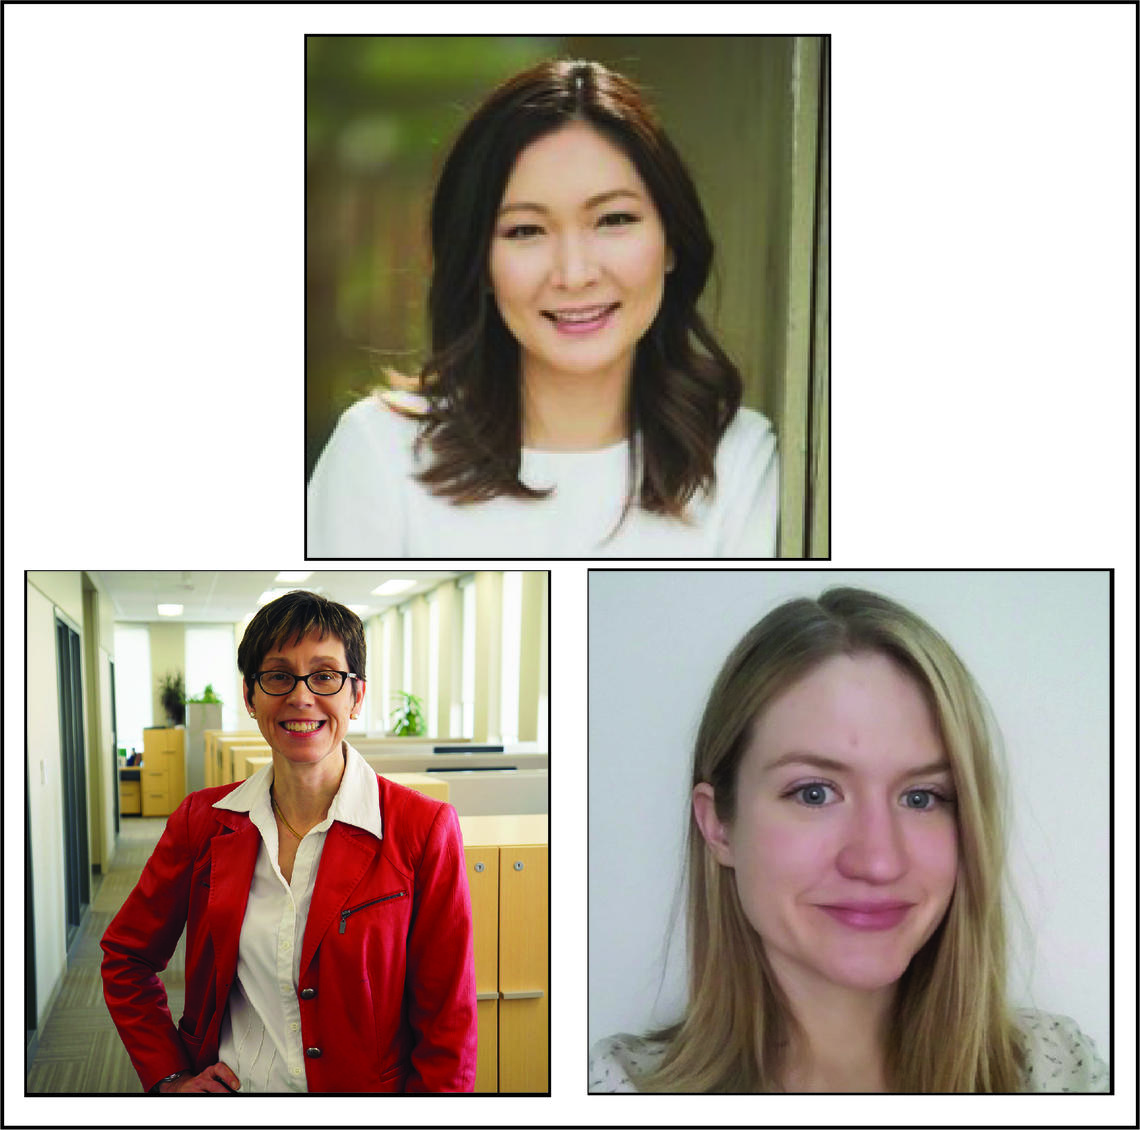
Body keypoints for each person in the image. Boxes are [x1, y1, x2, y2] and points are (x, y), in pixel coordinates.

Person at [589, 587, 1108, 1093]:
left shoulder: (1055, 1074)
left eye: (922, 797)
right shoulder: (618, 1089)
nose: (878, 861)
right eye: (814, 793)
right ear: (718, 826)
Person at [307, 58, 778, 557]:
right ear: (479, 262)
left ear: (671, 243)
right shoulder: (382, 454)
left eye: (614, 219)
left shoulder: (738, 458)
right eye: (526, 230)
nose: (574, 274)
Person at [101, 590, 477, 1093]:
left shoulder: (420, 828)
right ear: (251, 698)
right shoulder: (203, 822)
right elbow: (127, 957)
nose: (301, 696)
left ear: (356, 695)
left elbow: (447, 1020)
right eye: (278, 676)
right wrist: (169, 1076)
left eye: (325, 675)